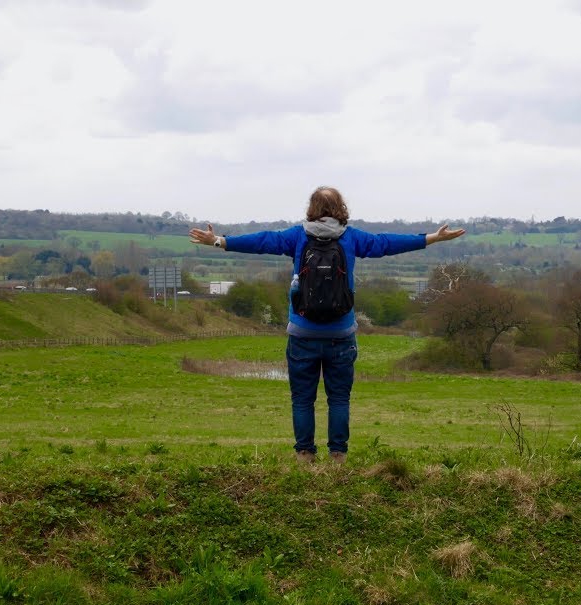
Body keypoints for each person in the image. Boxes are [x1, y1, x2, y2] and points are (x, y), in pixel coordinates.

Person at [190, 186, 465, 464]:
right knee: (339, 400)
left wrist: (218, 241)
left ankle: (305, 455)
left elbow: (261, 241)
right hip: (341, 334)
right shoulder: (351, 238)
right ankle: (338, 457)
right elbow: (387, 243)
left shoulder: (297, 236)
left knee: (301, 399)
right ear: (340, 208)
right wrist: (431, 238)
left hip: (302, 332)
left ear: (312, 208)